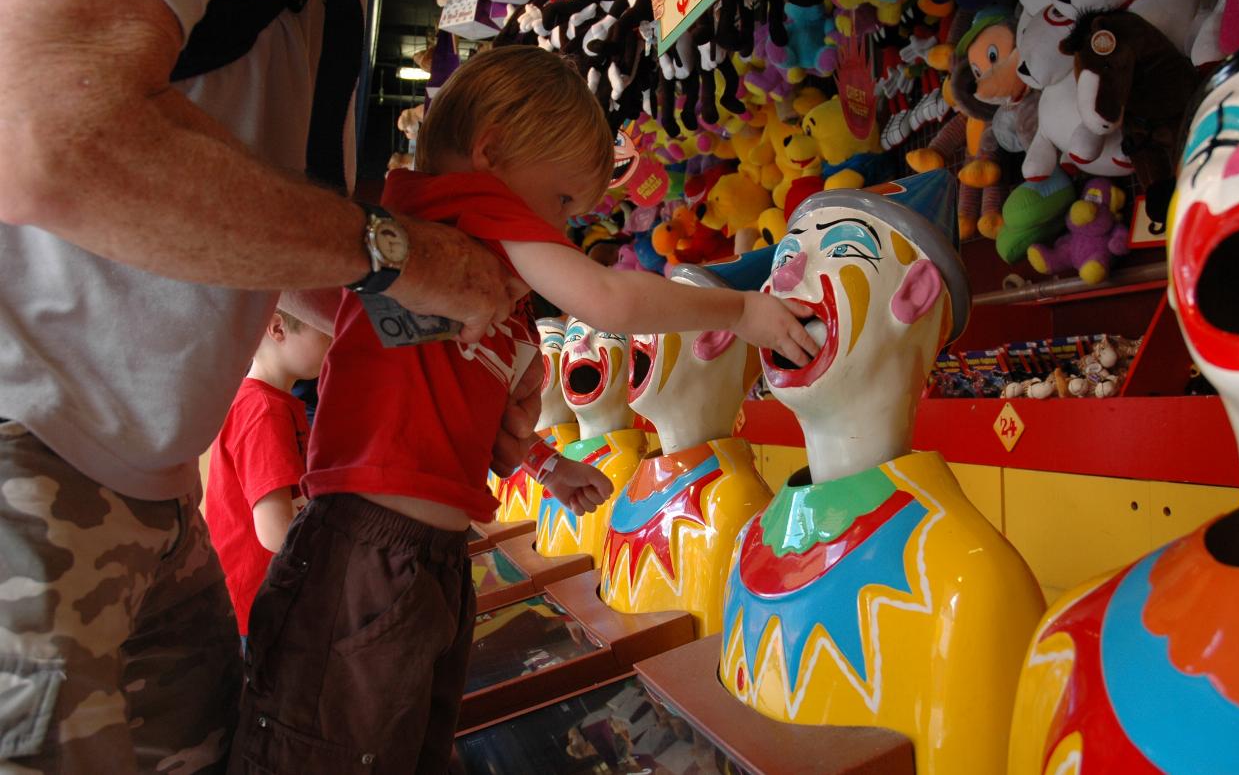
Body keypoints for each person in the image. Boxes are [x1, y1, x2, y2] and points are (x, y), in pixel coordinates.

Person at [0, 0, 526, 772]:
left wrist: (440, 372)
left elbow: (256, 234)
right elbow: (48, 134)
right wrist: (400, 255)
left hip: (150, 491)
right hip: (29, 455)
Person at [229, 45, 819, 773]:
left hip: (427, 556)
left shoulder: (486, 272)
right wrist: (740, 309)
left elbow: (479, 406)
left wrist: (550, 466)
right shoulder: (463, 206)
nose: (565, 230)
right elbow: (606, 299)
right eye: (564, 201)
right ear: (492, 153)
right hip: (367, 545)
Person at [206, 311, 331, 644]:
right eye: (325, 329)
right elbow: (276, 533)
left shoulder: (274, 403)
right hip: (259, 606)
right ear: (277, 328)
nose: (335, 339)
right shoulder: (264, 410)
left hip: (269, 599)